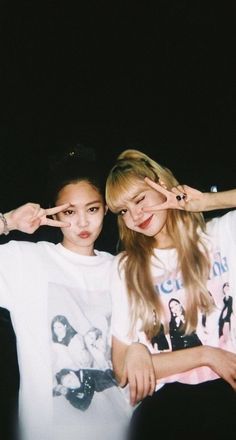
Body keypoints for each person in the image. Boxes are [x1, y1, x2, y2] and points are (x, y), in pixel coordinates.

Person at [0, 147, 132, 440]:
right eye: (69, 212)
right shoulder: (27, 261)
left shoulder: (123, 269)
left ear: (106, 209)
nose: (82, 223)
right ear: (53, 211)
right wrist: (8, 221)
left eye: (92, 209)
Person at [105, 148, 236, 439]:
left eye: (139, 199)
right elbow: (122, 370)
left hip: (227, 395)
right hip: (167, 408)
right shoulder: (126, 267)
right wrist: (206, 355)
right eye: (123, 210)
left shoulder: (220, 236)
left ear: (162, 185)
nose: (135, 215)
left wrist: (207, 201)